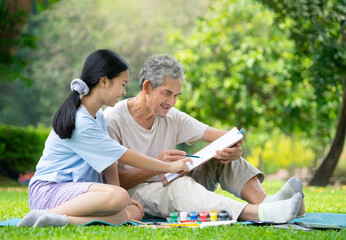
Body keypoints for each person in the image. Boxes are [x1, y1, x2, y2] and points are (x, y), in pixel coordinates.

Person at [104, 54, 305, 223]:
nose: (172, 102)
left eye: (176, 95)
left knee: (220, 153)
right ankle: (259, 213)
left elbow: (223, 136)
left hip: (173, 178)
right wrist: (158, 166)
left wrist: (233, 146)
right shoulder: (112, 121)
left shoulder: (172, 116)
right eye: (167, 94)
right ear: (147, 87)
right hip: (136, 191)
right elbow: (114, 184)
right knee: (180, 187)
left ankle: (268, 203)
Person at [17, 50, 192, 228]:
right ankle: (46, 214)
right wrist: (169, 167)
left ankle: (60, 220)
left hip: (78, 192)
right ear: (104, 81)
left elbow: (110, 163)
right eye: (122, 84)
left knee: (134, 212)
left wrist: (120, 195)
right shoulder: (81, 121)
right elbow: (122, 155)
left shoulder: (98, 116)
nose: (124, 92)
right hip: (49, 192)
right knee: (120, 197)